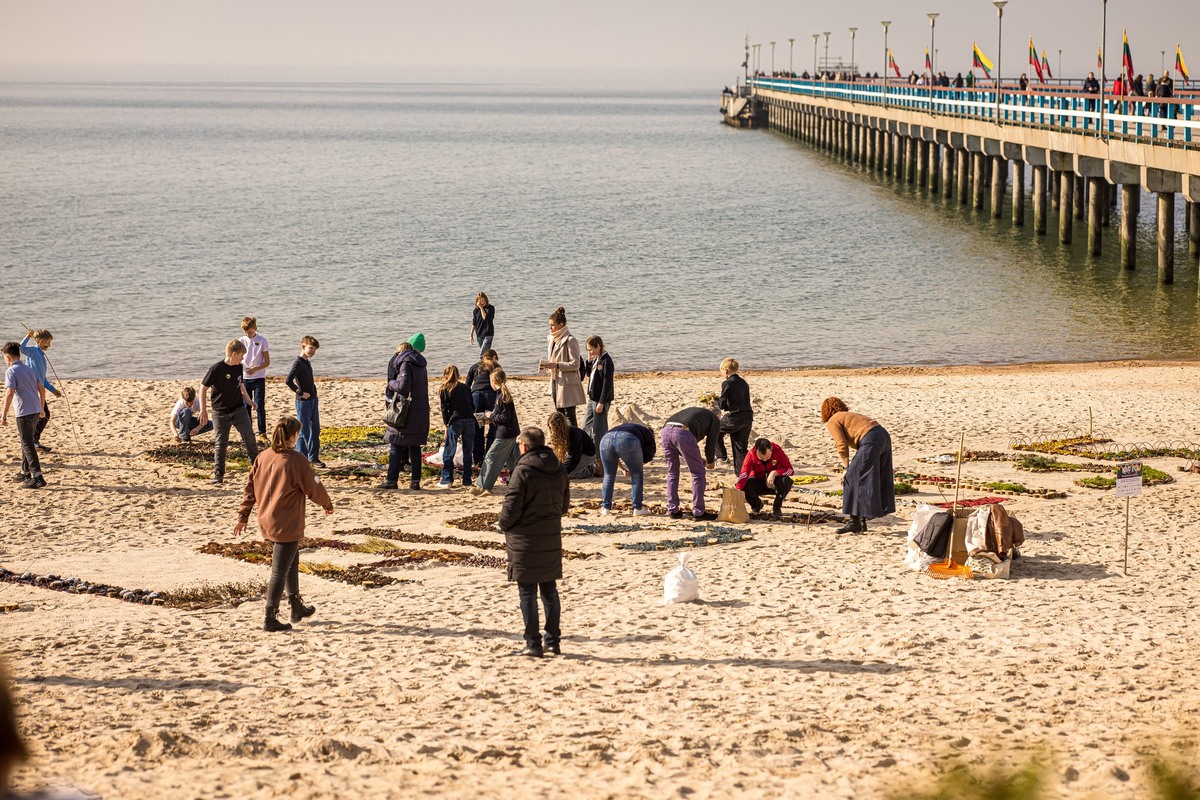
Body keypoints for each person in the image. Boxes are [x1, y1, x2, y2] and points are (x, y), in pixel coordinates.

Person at [235, 416, 334, 632]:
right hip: (286, 523)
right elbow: (314, 486)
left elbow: (249, 488)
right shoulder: (295, 460)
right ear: (293, 436)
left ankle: (296, 606)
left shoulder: (263, 456)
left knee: (292, 561)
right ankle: (270, 617)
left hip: (266, 522)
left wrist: (243, 517)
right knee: (279, 571)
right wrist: (326, 503)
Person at [498, 426, 570, 658]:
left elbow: (511, 506)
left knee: (527, 591)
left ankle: (533, 643)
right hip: (549, 536)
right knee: (549, 590)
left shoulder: (523, 470)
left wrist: (505, 525)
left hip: (525, 538)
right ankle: (553, 641)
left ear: (525, 446)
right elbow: (564, 505)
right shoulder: (558, 467)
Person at [821, 396, 896, 534]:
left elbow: (841, 444)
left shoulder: (833, 420)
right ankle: (863, 521)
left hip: (871, 439)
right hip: (883, 435)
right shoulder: (848, 415)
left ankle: (854, 522)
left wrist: (846, 468)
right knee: (874, 476)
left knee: (851, 477)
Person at [198, 339, 259, 485]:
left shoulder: (239, 367)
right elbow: (203, 388)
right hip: (220, 412)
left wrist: (249, 400)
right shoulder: (216, 369)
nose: (243, 358)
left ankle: (257, 470)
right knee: (221, 443)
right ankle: (218, 475)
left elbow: (240, 383)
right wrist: (203, 410)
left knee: (249, 437)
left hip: (239, 409)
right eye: (241, 355)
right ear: (234, 354)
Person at [381, 334, 430, 491]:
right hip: (420, 410)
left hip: (407, 411)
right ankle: (415, 481)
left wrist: (391, 382)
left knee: (396, 445)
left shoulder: (405, 364)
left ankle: (391, 481)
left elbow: (403, 387)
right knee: (415, 447)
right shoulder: (421, 365)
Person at [661, 407, 720, 521]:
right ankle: (698, 511)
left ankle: (673, 510)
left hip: (666, 432)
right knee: (698, 473)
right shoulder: (715, 419)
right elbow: (711, 444)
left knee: (672, 473)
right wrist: (710, 462)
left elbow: (679, 445)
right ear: (717, 415)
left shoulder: (697, 413)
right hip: (684, 433)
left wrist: (698, 459)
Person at [2, 341, 46, 488]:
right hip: (34, 409)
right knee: (26, 441)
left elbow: (9, 393)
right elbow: (41, 388)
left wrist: (4, 414)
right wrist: (41, 407)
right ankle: (25, 471)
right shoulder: (28, 369)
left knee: (27, 443)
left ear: (8, 357)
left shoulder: (11, 371)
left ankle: (37, 477)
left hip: (24, 411)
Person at [472, 369, 519, 496]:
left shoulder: (502, 396)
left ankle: (484, 486)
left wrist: (491, 416)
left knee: (490, 457)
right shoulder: (501, 395)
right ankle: (521, 483)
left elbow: (505, 417)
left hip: (505, 434)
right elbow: (504, 416)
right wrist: (491, 418)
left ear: (493, 381)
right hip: (510, 432)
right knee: (512, 460)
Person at [598, 422, 656, 516]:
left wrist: (623, 469)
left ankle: (605, 508)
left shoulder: (631, 427)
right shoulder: (649, 435)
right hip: (627, 439)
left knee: (608, 475)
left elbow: (615, 453)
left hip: (606, 438)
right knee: (636, 476)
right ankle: (637, 508)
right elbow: (648, 456)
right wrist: (633, 468)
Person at [541, 307, 585, 427]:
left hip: (567, 382)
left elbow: (576, 364)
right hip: (555, 380)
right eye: (549, 325)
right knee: (559, 414)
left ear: (561, 325)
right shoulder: (552, 338)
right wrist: (547, 365)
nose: (550, 328)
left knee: (569, 415)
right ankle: (562, 439)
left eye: (552, 325)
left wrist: (557, 365)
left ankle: (574, 441)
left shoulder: (570, 340)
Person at [19, 329, 60, 453]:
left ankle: (33, 440)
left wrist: (53, 390)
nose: (49, 345)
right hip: (33, 390)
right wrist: (27, 336)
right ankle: (33, 441)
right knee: (42, 415)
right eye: (48, 343)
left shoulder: (41, 354)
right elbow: (21, 348)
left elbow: (42, 378)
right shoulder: (33, 351)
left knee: (44, 415)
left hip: (39, 390)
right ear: (41, 341)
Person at [285, 336, 323, 468]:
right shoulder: (298, 363)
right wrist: (300, 393)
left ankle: (314, 458)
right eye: (311, 348)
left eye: (314, 349)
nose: (313, 351)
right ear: (303, 346)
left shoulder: (307, 362)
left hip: (313, 400)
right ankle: (301, 459)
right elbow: (288, 381)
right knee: (304, 430)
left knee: (315, 430)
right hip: (303, 402)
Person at [437, 364, 476, 489]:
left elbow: (444, 409)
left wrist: (446, 425)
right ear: (458, 375)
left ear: (445, 376)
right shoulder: (465, 387)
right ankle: (467, 480)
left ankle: (447, 479)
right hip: (469, 419)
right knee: (468, 451)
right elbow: (472, 405)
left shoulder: (445, 389)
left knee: (450, 450)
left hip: (456, 420)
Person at [736, 438, 795, 520]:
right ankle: (756, 505)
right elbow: (744, 473)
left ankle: (777, 507)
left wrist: (775, 473)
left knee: (786, 481)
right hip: (759, 481)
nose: (765, 459)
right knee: (745, 484)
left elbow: (790, 471)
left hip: (775, 483)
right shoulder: (751, 455)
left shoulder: (777, 450)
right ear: (756, 451)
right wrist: (738, 490)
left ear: (771, 449)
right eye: (761, 457)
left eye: (767, 457)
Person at [715, 358, 753, 471]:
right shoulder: (744, 383)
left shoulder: (727, 383)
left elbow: (722, 404)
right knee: (740, 447)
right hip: (747, 417)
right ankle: (742, 474)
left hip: (735, 417)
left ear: (726, 370)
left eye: (721, 371)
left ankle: (722, 458)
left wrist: (715, 401)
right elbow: (739, 401)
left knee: (714, 430)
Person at [581, 335, 614, 457]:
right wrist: (589, 362)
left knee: (599, 430)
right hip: (592, 399)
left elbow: (607, 384)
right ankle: (591, 450)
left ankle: (601, 457)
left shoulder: (606, 361)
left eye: (591, 349)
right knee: (585, 425)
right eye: (588, 350)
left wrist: (601, 402)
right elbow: (589, 374)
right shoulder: (596, 359)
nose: (590, 352)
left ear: (598, 346)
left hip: (600, 400)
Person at [238, 317, 270, 438]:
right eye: (245, 332)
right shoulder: (241, 341)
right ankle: (248, 431)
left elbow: (267, 362)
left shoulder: (262, 341)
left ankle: (262, 432)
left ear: (255, 329)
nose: (247, 334)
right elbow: (236, 358)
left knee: (259, 404)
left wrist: (255, 369)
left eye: (249, 332)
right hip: (245, 378)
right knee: (246, 405)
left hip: (259, 377)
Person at [466, 349, 499, 466]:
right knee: (494, 424)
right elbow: (500, 382)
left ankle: (478, 459)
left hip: (476, 395)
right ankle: (489, 455)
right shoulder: (496, 366)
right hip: (491, 394)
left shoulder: (474, 367)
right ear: (494, 357)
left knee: (477, 428)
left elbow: (467, 385)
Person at [547, 411, 596, 479]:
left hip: (586, 455)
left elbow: (576, 457)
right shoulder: (561, 435)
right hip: (572, 455)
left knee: (569, 474)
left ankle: (592, 468)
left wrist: (566, 471)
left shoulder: (574, 434)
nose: (552, 431)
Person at [470, 292, 495, 358]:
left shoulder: (491, 308)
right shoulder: (475, 310)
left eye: (483, 300)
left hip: (488, 334)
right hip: (479, 334)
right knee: (486, 355)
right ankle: (489, 366)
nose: (482, 302)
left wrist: (481, 308)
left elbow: (485, 318)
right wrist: (471, 334)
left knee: (482, 355)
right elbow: (474, 322)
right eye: (480, 301)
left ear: (486, 299)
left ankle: (481, 366)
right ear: (477, 302)